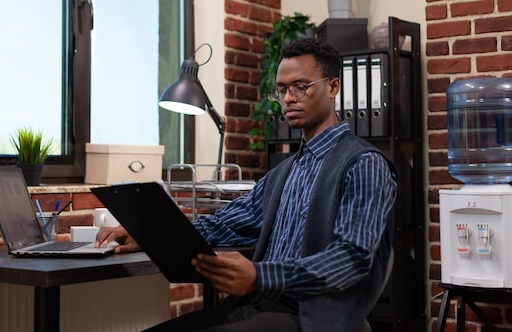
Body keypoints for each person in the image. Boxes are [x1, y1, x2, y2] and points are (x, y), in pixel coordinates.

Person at [95, 38, 397, 332]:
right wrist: (149, 233)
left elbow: (353, 258)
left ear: (333, 87)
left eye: (300, 87)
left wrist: (260, 276)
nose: (289, 98)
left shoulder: (363, 164)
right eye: (282, 90)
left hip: (311, 317)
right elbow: (222, 225)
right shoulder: (284, 173)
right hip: (256, 305)